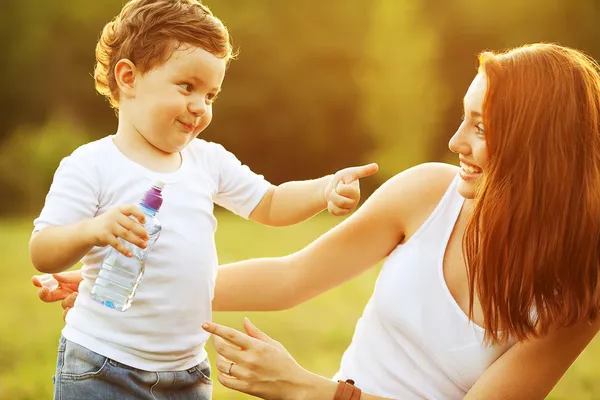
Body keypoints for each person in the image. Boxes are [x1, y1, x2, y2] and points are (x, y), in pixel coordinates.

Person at [35, 43, 600, 399]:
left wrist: (311, 390)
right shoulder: (431, 193)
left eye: (481, 126)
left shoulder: (578, 291)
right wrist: (107, 285)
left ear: (539, 147)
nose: (456, 142)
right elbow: (291, 278)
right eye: (462, 118)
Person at [29, 1, 377, 399]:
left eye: (211, 95)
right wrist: (93, 229)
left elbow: (272, 203)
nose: (200, 106)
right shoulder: (91, 164)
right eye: (187, 87)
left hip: (186, 372)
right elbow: (44, 249)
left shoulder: (207, 161)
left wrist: (324, 188)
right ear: (129, 77)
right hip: (102, 365)